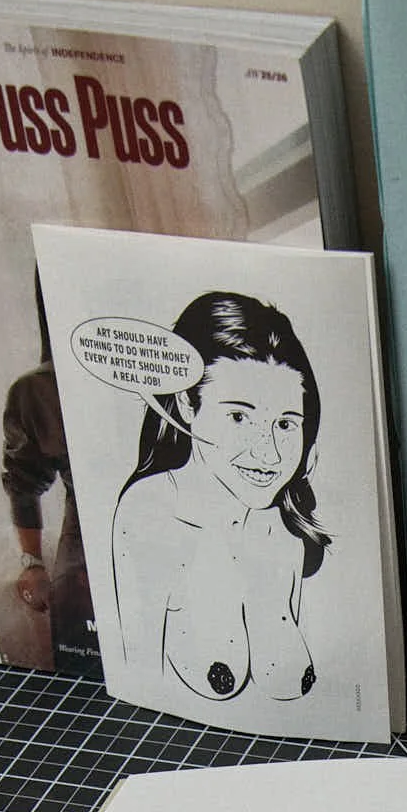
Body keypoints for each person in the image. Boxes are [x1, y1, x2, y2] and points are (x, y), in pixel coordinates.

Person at [111, 292, 330, 707]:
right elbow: (139, 685)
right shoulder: (152, 512)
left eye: (285, 424)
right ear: (184, 404)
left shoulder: (286, 522)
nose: (267, 452)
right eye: (238, 417)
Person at [2, 275, 100, 677]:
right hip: (85, 536)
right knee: (81, 645)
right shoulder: (37, 392)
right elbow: (23, 479)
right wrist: (32, 563)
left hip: (178, 517)